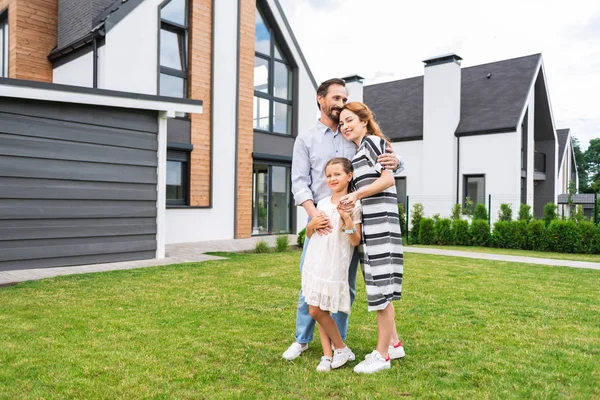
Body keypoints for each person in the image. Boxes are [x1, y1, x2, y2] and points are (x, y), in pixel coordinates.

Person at [283, 78, 405, 361]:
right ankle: (302, 339)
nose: (339, 105)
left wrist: (398, 162)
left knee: (345, 284)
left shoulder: (353, 136)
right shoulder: (306, 139)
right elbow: (299, 183)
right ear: (320, 99)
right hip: (320, 219)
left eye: (344, 99)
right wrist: (315, 217)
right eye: (335, 99)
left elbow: (384, 160)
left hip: (350, 220)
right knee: (309, 283)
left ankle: (340, 345)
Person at [338, 101, 405, 374]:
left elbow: (388, 179)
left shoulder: (375, 143)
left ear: (364, 121)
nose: (345, 126)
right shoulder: (356, 157)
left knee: (381, 291)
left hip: (384, 228)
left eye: (349, 120)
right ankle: (395, 344)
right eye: (341, 123)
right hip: (370, 231)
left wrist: (356, 194)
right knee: (378, 286)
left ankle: (382, 355)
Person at [302, 158, 362, 372]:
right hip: (316, 260)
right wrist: (311, 225)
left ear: (349, 176)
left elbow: (354, 240)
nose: (332, 179)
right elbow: (309, 234)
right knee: (317, 306)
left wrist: (346, 218)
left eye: (337, 174)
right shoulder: (324, 203)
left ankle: (341, 348)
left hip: (334, 263)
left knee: (317, 311)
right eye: (328, 175)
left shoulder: (354, 204)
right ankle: (327, 355)